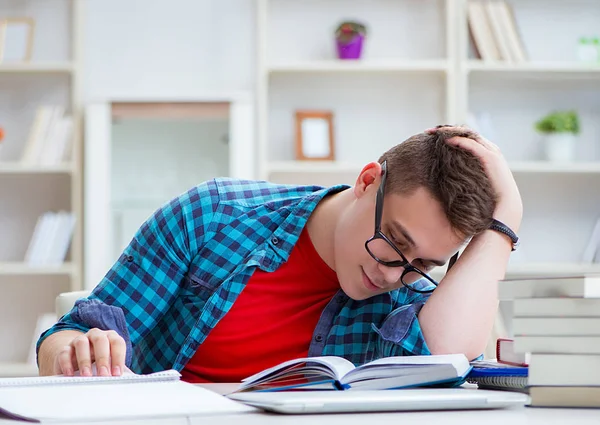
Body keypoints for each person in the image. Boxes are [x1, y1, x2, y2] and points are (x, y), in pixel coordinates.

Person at [37, 125, 522, 382]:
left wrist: (503, 228)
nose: (392, 274)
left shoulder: (412, 291)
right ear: (368, 180)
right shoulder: (214, 214)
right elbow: (68, 336)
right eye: (394, 242)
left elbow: (443, 357)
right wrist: (74, 354)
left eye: (423, 265)